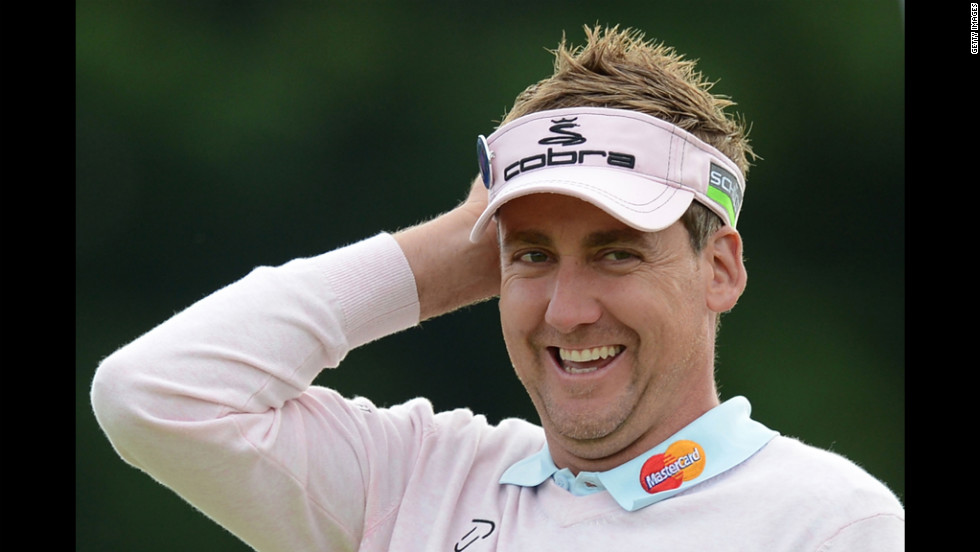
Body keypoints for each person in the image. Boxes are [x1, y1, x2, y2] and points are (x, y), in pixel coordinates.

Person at [91, 25, 905, 551]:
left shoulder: (832, 524)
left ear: (719, 268)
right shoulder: (412, 480)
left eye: (617, 253)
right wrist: (458, 244)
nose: (569, 309)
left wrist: (520, 240)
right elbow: (152, 394)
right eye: (534, 257)